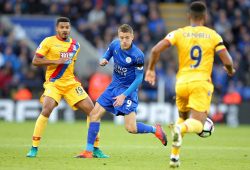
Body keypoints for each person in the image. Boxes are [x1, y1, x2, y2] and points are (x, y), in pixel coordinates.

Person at [145, 1, 235, 168]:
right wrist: (229, 70)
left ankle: (174, 157)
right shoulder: (213, 35)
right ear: (205, 16)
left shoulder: (179, 33)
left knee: (182, 118)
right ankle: (180, 130)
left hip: (181, 83)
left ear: (188, 16)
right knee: (197, 123)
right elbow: (227, 60)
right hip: (200, 83)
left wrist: (150, 69)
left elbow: (155, 50)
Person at [76, 24, 167, 158]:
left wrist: (124, 95)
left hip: (128, 91)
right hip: (113, 87)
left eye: (127, 38)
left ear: (132, 37)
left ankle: (155, 130)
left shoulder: (138, 55)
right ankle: (89, 151)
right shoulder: (115, 44)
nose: (124, 40)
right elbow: (108, 53)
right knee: (94, 114)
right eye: (121, 37)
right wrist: (105, 59)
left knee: (131, 128)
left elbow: (139, 79)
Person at [26, 17, 108, 158]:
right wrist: (55, 61)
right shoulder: (48, 41)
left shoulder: (76, 45)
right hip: (54, 83)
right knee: (47, 109)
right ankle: (34, 147)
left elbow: (70, 66)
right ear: (57, 29)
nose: (65, 30)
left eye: (67, 27)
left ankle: (95, 148)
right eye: (62, 27)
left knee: (93, 111)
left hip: (70, 83)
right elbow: (35, 60)